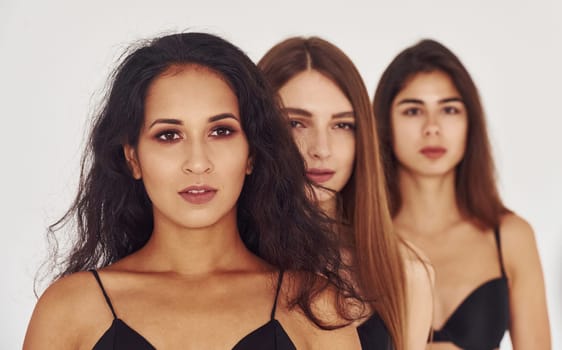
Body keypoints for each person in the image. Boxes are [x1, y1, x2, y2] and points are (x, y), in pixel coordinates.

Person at [23, 32, 366, 350]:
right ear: (133, 158)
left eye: (220, 131)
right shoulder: (71, 310)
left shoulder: (316, 310)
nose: (198, 163)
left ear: (251, 153)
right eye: (169, 135)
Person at [373, 39, 551, 349]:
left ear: (470, 122)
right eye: (413, 110)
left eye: (449, 109)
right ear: (386, 123)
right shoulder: (361, 237)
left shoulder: (510, 237)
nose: (432, 127)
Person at [258, 36, 433, 350]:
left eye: (342, 126)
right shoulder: (228, 262)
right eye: (296, 123)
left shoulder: (408, 273)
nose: (321, 149)